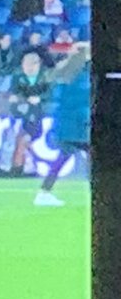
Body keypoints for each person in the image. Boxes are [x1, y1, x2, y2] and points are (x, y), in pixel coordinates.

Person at [35, 42, 90, 207]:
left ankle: (44, 192)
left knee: (63, 157)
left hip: (67, 123)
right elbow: (82, 99)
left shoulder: (65, 72)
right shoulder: (80, 75)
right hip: (78, 124)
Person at [2, 53, 50, 177]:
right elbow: (11, 93)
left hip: (37, 116)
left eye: (32, 64)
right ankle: (21, 168)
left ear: (38, 65)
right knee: (17, 141)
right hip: (19, 114)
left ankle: (20, 168)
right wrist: (14, 97)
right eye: (26, 64)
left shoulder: (46, 77)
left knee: (24, 140)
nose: (29, 67)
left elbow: (51, 94)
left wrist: (40, 98)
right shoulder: (18, 77)